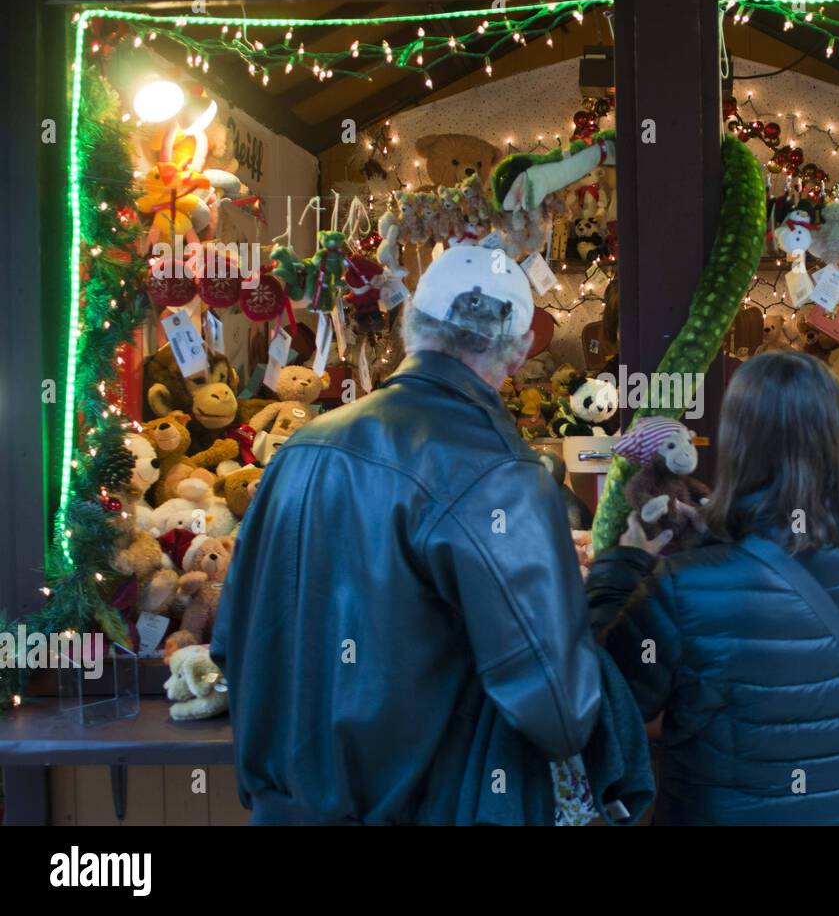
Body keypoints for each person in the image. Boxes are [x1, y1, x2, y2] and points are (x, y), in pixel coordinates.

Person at [212, 246, 602, 825]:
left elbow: (230, 642)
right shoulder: (501, 476)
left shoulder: (301, 449)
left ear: (410, 325)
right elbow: (559, 710)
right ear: (520, 351)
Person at [586, 351, 839, 825]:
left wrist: (623, 562)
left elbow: (609, 696)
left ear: (738, 446)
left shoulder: (686, 584)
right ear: (838, 441)